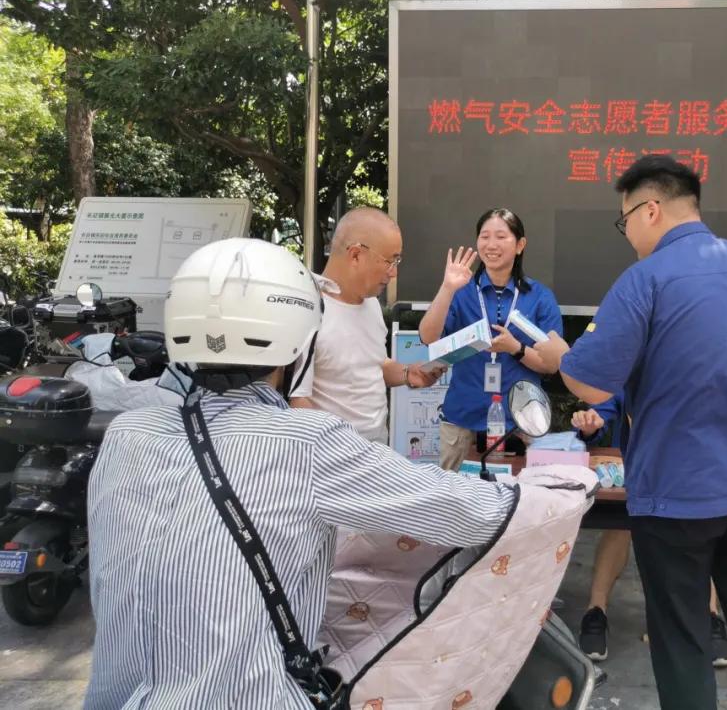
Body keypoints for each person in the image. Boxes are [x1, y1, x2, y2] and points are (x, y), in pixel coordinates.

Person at [84, 238, 517, 709]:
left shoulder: (126, 435)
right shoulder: (306, 442)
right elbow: (471, 513)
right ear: (297, 341)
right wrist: (541, 490)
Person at [533, 155, 727, 710]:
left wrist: (560, 356)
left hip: (677, 494)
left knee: (682, 639)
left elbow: (589, 382)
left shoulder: (645, 279)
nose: (628, 233)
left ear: (651, 209)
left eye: (625, 220)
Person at [573, 395, 727, 669]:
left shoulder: (694, 376)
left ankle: (710, 616)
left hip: (688, 470)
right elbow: (600, 412)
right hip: (634, 471)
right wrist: (590, 425)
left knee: (701, 528)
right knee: (620, 526)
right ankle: (595, 611)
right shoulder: (629, 377)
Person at [419, 207, 563, 470]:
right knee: (454, 493)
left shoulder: (540, 297)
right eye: (484, 237)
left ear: (520, 245)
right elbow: (428, 337)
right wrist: (447, 287)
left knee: (522, 493)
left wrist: (516, 348)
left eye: (501, 236)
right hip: (462, 420)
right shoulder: (460, 291)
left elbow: (552, 365)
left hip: (522, 422)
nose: (491, 245)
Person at [290, 207, 440, 442]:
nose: (394, 273)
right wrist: (334, 450)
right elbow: (299, 401)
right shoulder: (308, 309)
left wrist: (408, 374)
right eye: (390, 261)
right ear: (356, 255)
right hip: (333, 455)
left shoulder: (371, 304)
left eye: (397, 261)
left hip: (378, 451)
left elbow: (374, 365)